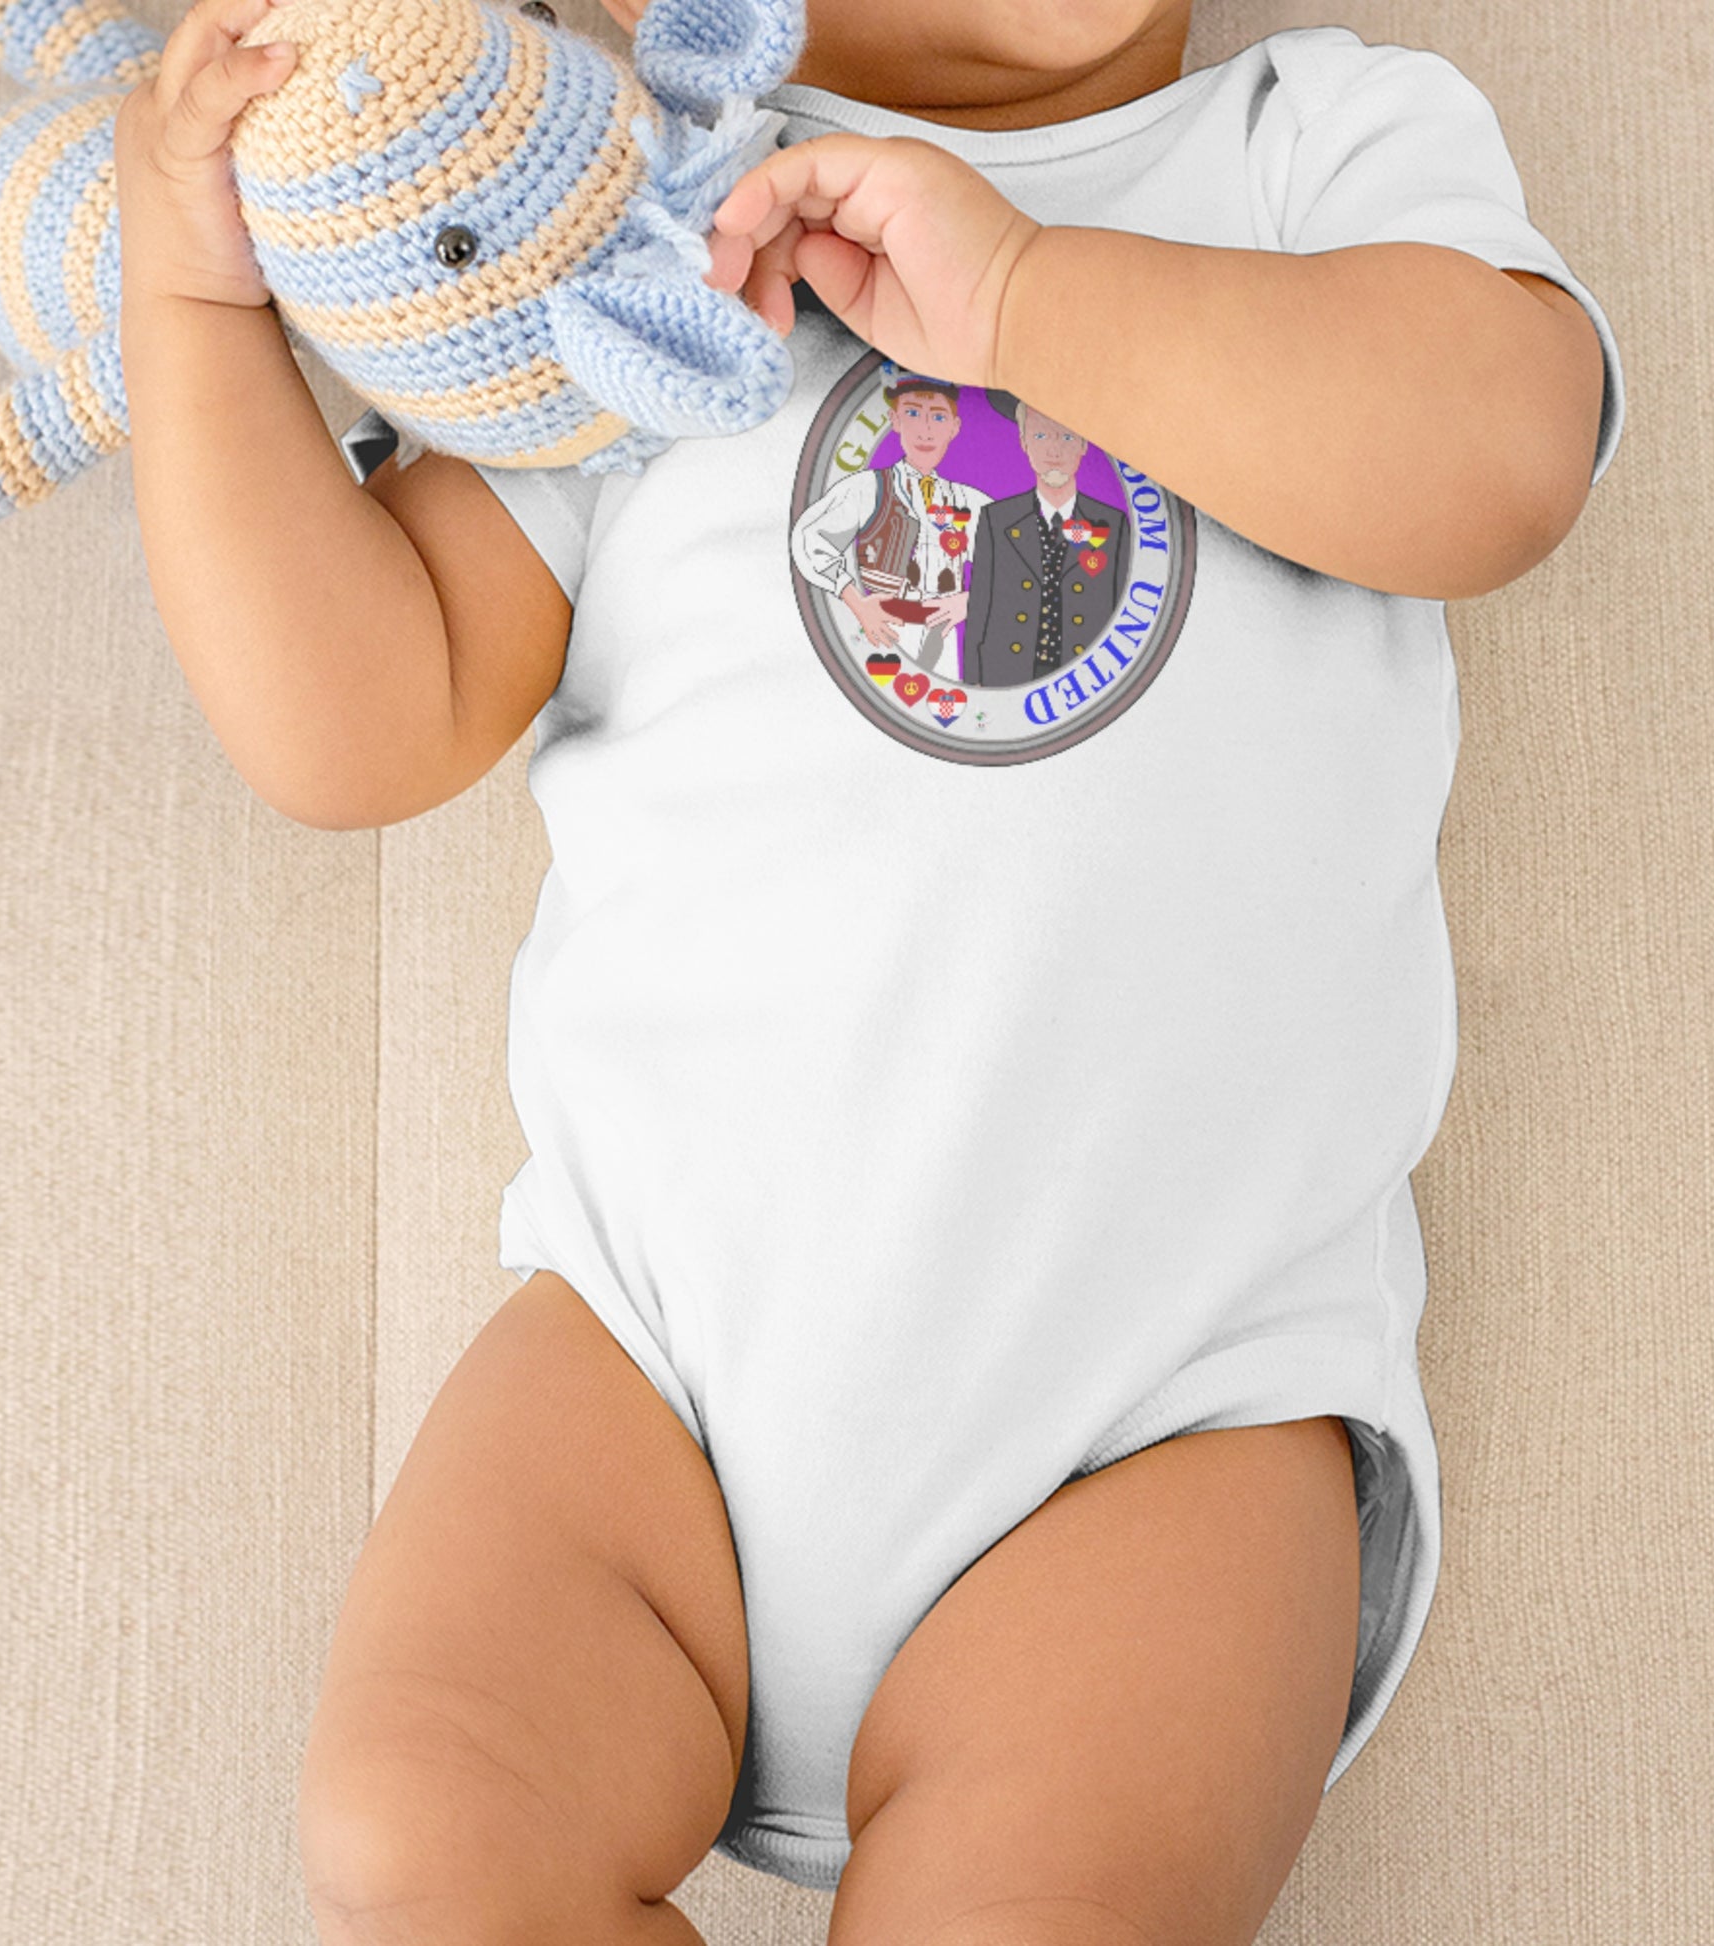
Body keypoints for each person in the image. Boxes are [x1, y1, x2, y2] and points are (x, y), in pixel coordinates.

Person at [113, 0, 1622, 1939]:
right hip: (652, 1373)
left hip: (1166, 1412)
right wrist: (197, 313)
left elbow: (1500, 458)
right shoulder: (650, 249)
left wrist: (1025, 299)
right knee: (421, 1836)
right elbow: (355, 722)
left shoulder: (1299, 149)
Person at [791, 366, 991, 679]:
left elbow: (1017, 562)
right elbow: (808, 537)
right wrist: (856, 602)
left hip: (945, 633)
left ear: (955, 427)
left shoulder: (969, 501)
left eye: (938, 417)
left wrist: (972, 600)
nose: (925, 431)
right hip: (883, 629)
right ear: (894, 420)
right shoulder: (868, 488)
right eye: (912, 413)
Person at [960, 390, 1128, 688]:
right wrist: (973, 682)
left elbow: (1122, 614)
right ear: (1023, 442)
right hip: (1005, 675)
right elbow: (980, 606)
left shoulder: (1112, 526)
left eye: (1066, 437)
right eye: (1040, 436)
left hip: (1083, 683)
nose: (1054, 451)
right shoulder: (997, 519)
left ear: (1084, 444)